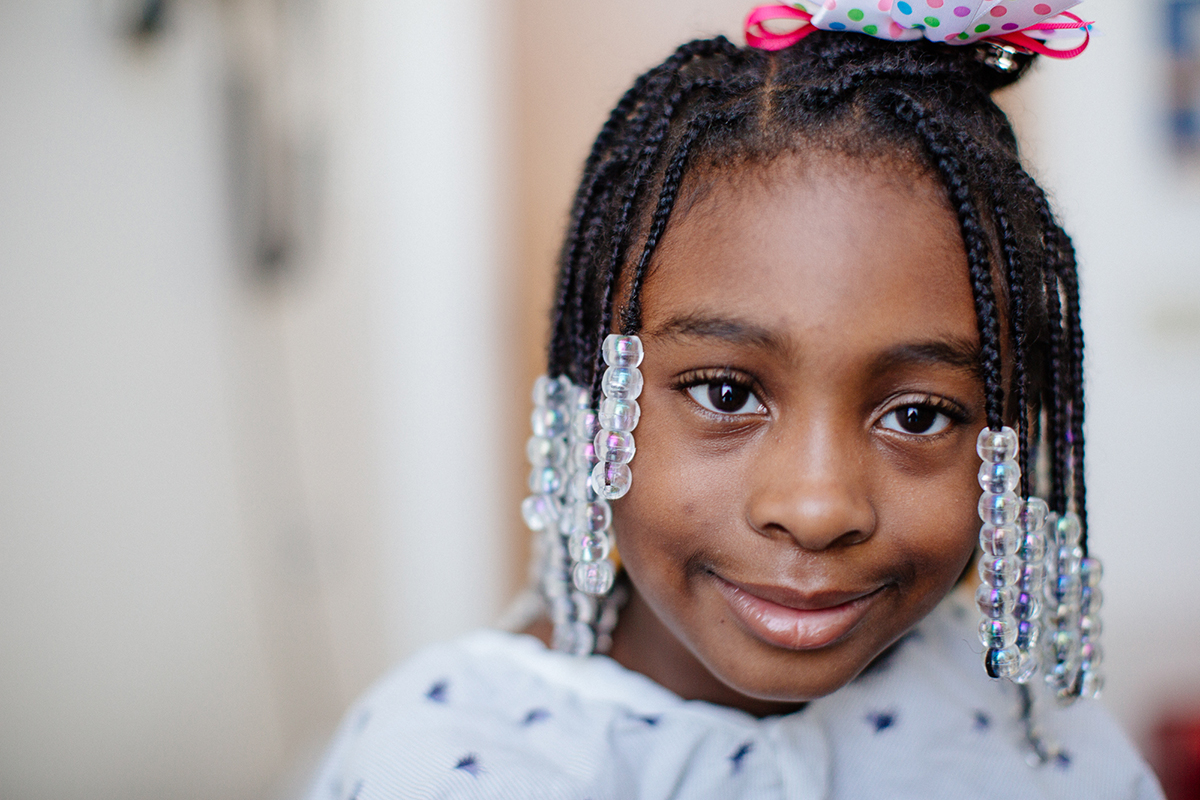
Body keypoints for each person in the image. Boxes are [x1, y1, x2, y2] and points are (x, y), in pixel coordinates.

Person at [307, 4, 1165, 798]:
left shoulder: (1041, 744)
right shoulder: (438, 761)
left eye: (917, 414)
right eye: (726, 393)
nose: (817, 507)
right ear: (593, 402)